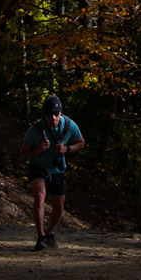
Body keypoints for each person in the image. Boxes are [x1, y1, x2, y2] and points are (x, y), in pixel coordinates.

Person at [20, 94, 85, 248]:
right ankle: (41, 235)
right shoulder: (35, 129)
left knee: (59, 208)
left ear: (60, 114)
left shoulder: (69, 125)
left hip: (57, 169)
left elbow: (81, 143)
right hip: (38, 167)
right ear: (44, 115)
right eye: (49, 115)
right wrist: (39, 150)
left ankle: (49, 232)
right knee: (40, 196)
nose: (53, 118)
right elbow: (23, 153)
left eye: (56, 115)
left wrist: (67, 149)